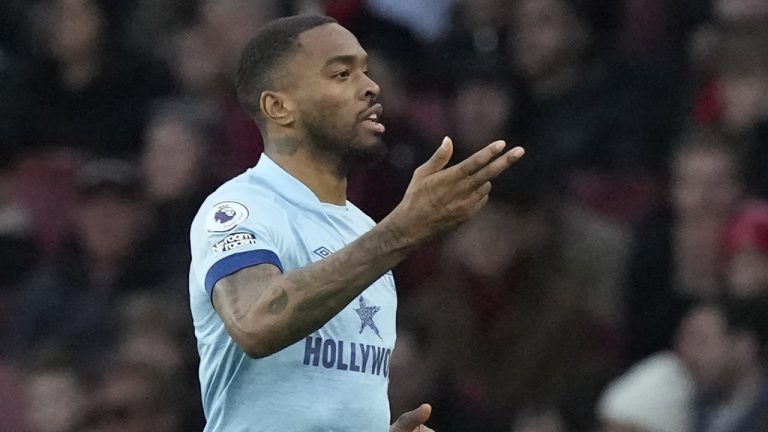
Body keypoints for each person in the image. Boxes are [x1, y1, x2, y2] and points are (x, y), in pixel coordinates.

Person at [188, 15, 525, 432]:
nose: (371, 86)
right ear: (279, 107)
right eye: (342, 73)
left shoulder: (364, 231)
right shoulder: (241, 206)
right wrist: (401, 231)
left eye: (365, 70)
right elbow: (256, 323)